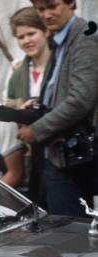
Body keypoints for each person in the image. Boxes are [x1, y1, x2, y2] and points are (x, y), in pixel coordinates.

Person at [17, 0, 98, 216]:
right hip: (60, 152)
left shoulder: (85, 37)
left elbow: (81, 99)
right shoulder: (60, 40)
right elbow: (60, 95)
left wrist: (36, 129)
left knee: (68, 232)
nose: (47, 14)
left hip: (77, 154)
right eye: (41, 9)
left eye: (52, 6)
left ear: (71, 3)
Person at [6, 6, 52, 206]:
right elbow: (9, 110)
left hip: (61, 149)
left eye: (31, 33)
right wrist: (20, 112)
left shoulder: (60, 65)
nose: (26, 41)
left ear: (46, 31)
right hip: (33, 155)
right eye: (21, 37)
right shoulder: (17, 74)